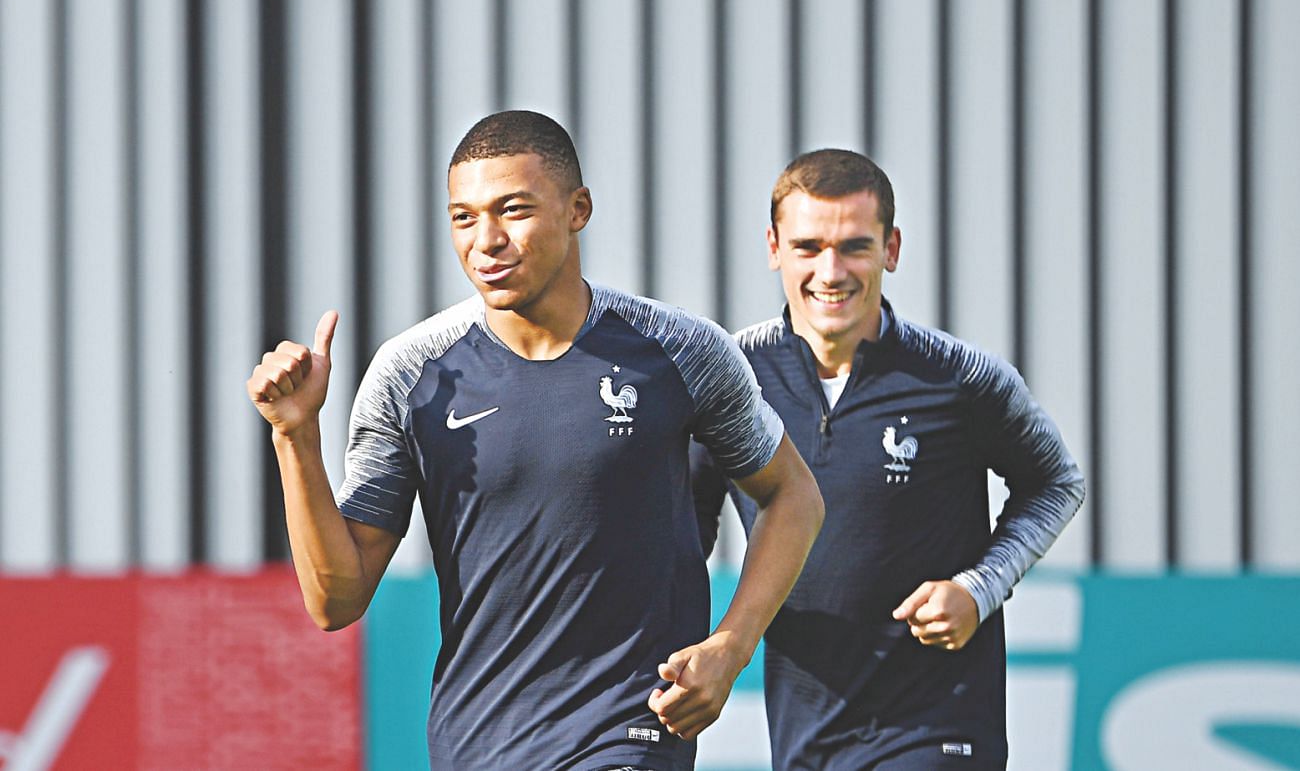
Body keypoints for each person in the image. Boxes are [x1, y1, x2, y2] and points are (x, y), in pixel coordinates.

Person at [246, 110, 824, 770]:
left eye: (512, 209)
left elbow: (793, 495)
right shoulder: (414, 375)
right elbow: (334, 599)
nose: (485, 240)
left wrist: (732, 643)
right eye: (463, 217)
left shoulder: (682, 351)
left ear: (578, 209)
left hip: (627, 733)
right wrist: (294, 435)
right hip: (477, 742)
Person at [693, 149, 1085, 770]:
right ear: (773, 247)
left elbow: (1056, 483)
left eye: (854, 246)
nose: (831, 270)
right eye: (807, 247)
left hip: (940, 724)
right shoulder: (729, 377)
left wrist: (977, 590)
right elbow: (679, 524)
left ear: (891, 249)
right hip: (805, 726)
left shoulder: (962, 377)